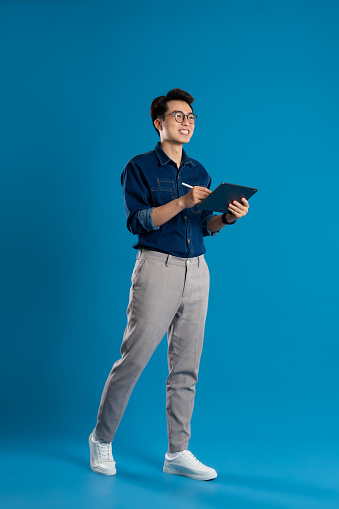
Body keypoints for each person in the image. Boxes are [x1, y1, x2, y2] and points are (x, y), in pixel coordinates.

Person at [89, 88, 249, 481]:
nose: (186, 122)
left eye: (191, 117)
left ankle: (178, 451)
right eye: (179, 116)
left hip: (197, 271)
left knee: (186, 367)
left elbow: (203, 227)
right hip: (157, 267)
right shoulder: (140, 167)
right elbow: (139, 221)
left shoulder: (199, 172)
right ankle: (101, 439)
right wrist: (181, 202)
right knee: (134, 360)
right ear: (159, 123)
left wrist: (227, 218)